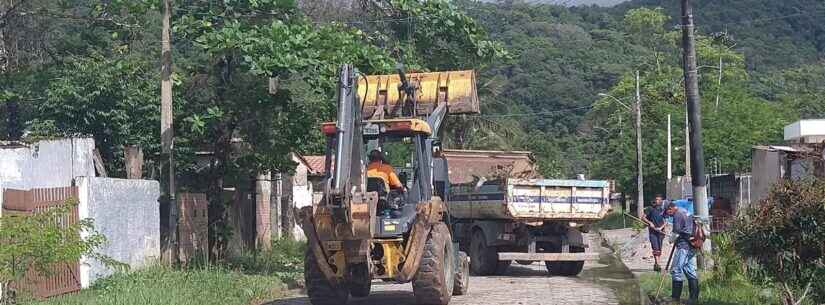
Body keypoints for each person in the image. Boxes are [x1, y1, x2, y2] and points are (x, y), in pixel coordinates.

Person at [664, 202, 699, 304]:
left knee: (676, 270)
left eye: (668, 212)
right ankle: (694, 298)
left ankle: (675, 298)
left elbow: (676, 232)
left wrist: (671, 240)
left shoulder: (678, 214)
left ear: (671, 208)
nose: (668, 215)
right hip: (692, 245)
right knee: (689, 270)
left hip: (684, 246)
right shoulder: (685, 211)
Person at [642, 195, 667, 272]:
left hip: (661, 232)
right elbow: (643, 217)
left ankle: (657, 264)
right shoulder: (650, 209)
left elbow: (666, 221)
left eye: (659, 200)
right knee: (655, 247)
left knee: (659, 248)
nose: (657, 201)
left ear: (661, 201)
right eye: (656, 199)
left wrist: (661, 228)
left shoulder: (663, 210)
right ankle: (657, 263)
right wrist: (650, 223)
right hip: (653, 232)